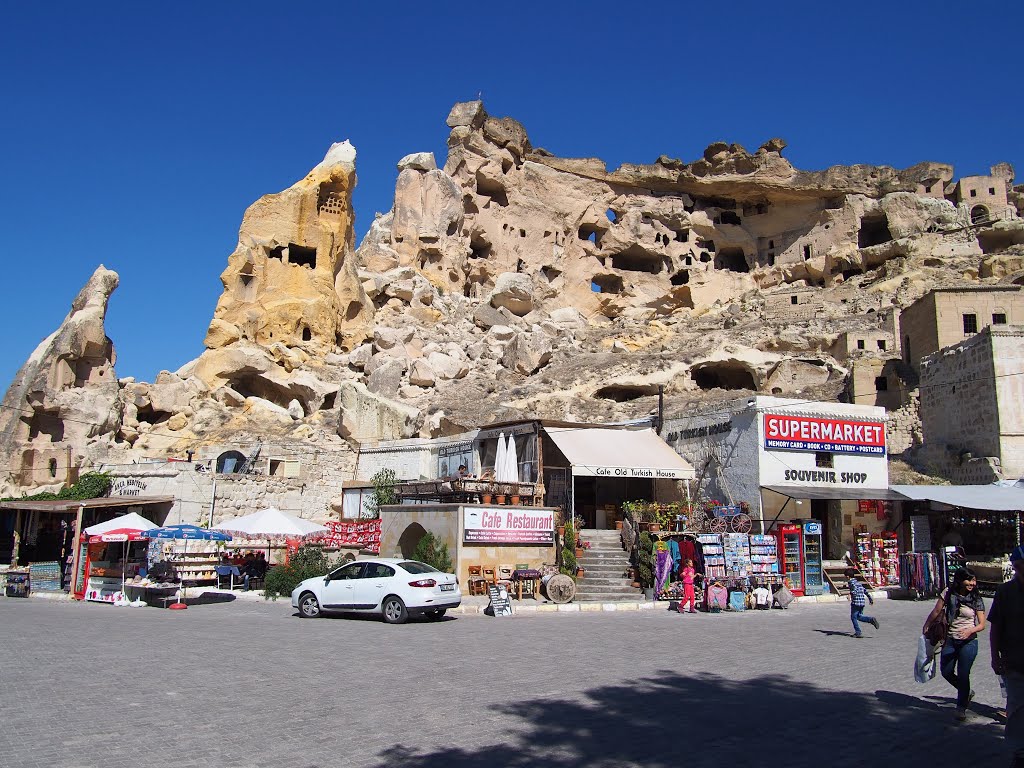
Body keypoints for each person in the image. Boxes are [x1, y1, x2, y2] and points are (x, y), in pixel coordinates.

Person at [924, 567, 986, 721]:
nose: (972, 583)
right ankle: (965, 692)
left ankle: (961, 707)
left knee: (964, 674)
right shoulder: (948, 592)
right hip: (950, 639)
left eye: (973, 580)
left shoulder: (976, 598)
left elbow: (982, 624)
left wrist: (970, 630)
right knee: (946, 671)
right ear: (959, 580)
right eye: (969, 580)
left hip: (969, 642)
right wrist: (927, 625)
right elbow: (937, 610)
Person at [989, 546, 1024, 765]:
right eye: (1019, 567)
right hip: (1016, 662)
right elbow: (995, 627)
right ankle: (1019, 751)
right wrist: (994, 656)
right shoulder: (1005, 592)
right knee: (1017, 708)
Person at [846, 568, 880, 638]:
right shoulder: (858, 583)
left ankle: (858, 632)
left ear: (848, 576)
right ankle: (871, 620)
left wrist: (850, 594)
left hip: (856, 602)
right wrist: (870, 598)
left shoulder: (850, 582)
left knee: (853, 617)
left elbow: (854, 590)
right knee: (859, 616)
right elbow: (865, 591)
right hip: (862, 602)